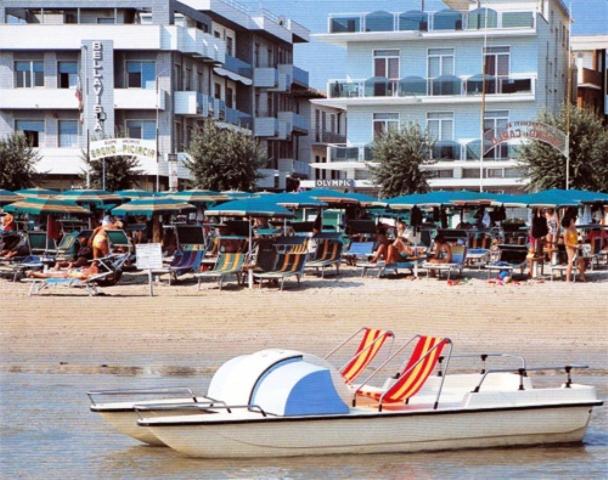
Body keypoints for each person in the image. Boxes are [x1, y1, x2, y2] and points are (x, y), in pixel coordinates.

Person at [563, 216, 586, 282]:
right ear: (569, 223)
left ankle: (582, 276)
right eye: (572, 221)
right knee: (571, 262)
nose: (574, 222)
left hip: (576, 246)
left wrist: (582, 239)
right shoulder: (566, 231)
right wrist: (574, 246)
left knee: (581, 261)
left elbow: (577, 237)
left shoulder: (574, 229)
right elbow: (565, 242)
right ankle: (567, 279)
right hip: (570, 247)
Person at [27, 260, 99, 280]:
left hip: (67, 275)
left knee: (49, 275)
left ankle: (33, 273)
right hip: (67, 273)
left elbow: (81, 277)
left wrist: (71, 270)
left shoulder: (85, 275)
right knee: (50, 274)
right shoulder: (86, 272)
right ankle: (34, 273)